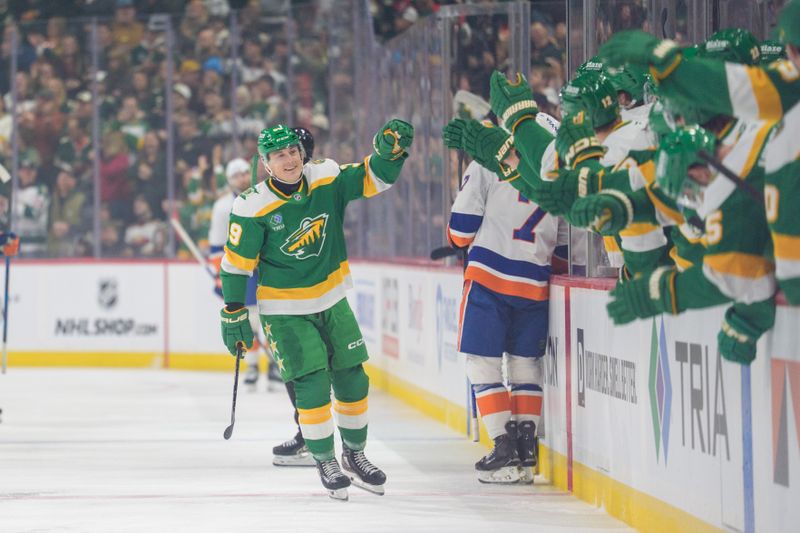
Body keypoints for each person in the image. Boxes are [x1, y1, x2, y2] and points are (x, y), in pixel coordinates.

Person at [219, 120, 413, 500]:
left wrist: (390, 156)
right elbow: (235, 265)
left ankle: (355, 455)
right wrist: (233, 313)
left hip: (332, 299)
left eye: (293, 151)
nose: (289, 159)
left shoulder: (325, 175)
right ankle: (324, 458)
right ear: (265, 164)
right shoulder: (252, 205)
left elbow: (372, 178)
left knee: (354, 378)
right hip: (285, 311)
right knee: (311, 385)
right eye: (279, 155)